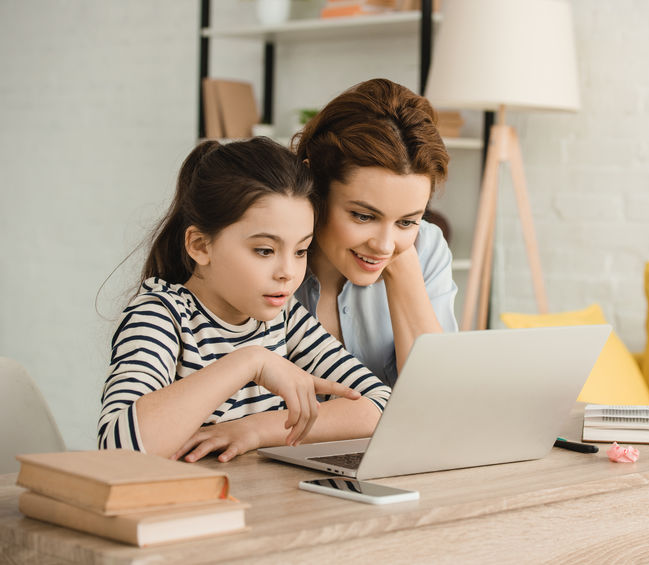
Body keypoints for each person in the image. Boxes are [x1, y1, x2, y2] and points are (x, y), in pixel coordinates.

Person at [98, 137, 391, 463]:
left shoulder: (285, 318)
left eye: (300, 251)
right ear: (200, 245)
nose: (288, 272)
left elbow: (382, 404)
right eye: (265, 250)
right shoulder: (161, 315)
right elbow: (118, 451)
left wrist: (256, 430)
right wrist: (250, 362)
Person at [293, 78, 457, 388]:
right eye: (364, 216)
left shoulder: (426, 247)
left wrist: (404, 270)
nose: (383, 245)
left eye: (406, 221)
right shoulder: (265, 255)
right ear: (314, 185)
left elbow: (438, 397)